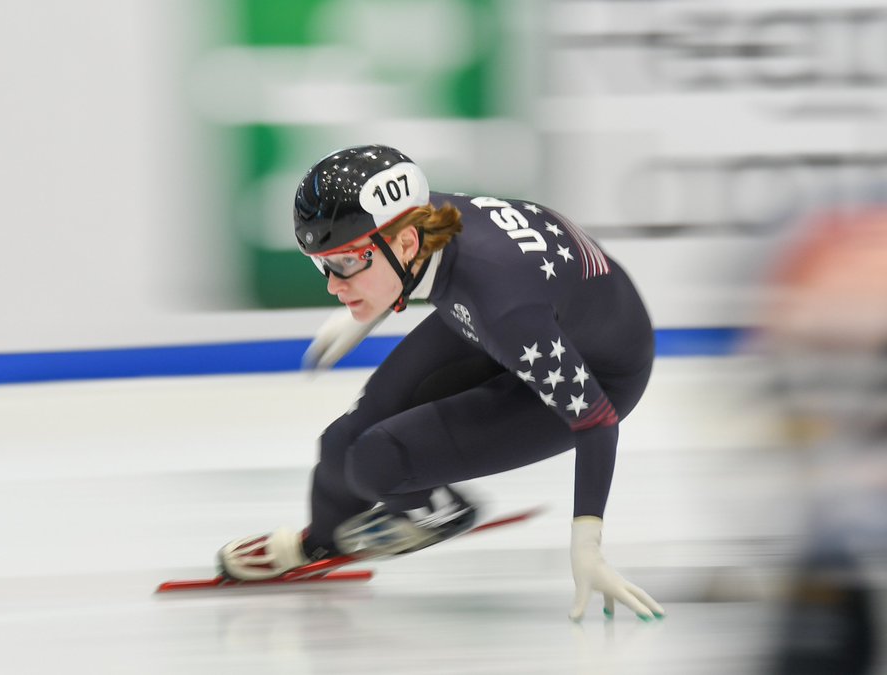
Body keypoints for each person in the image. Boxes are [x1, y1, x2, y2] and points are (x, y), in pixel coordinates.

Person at [218, 144, 665, 621]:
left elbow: (596, 421)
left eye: (345, 264)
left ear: (408, 245)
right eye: (322, 265)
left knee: (376, 461)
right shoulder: (424, 224)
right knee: (340, 442)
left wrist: (587, 546)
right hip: (535, 318)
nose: (332, 283)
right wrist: (361, 310)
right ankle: (319, 543)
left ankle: (443, 507)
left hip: (599, 374)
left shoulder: (502, 303)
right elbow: (392, 262)